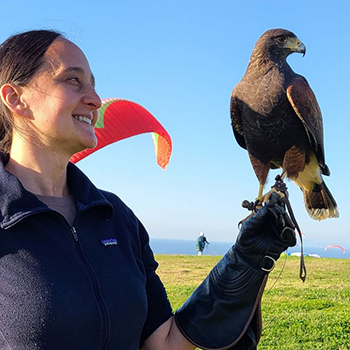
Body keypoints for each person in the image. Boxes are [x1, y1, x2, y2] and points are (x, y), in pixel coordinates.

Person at [0, 30, 296, 350]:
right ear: (16, 98)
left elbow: (163, 342)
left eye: (94, 85)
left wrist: (245, 262)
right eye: (73, 80)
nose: (95, 99)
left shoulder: (116, 216)